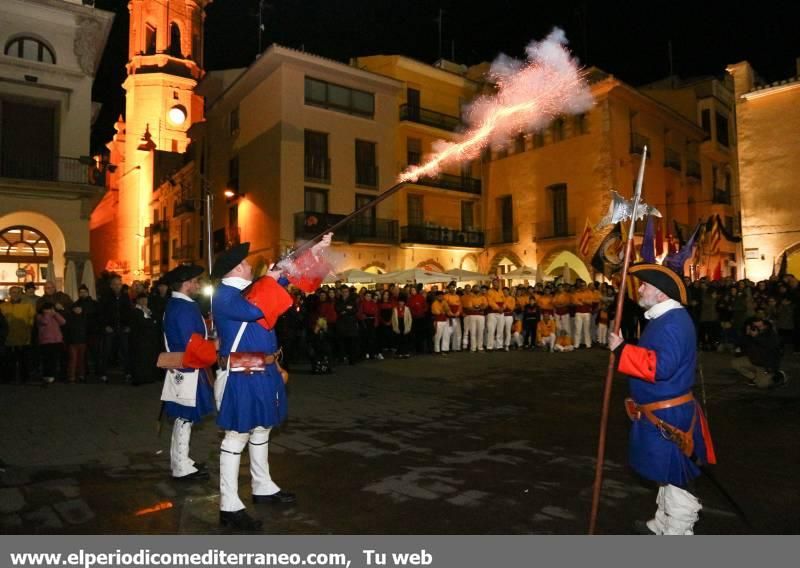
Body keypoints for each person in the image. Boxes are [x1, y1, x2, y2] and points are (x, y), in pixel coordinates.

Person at [609, 264, 716, 535]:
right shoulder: (664, 319)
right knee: (666, 473)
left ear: (661, 294)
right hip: (663, 412)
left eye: (645, 285)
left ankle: (678, 533)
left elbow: (661, 367)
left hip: (670, 416)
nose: (640, 288)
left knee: (678, 476)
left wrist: (623, 351)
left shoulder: (673, 323)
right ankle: (662, 523)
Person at [212, 243, 296, 531]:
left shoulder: (245, 291)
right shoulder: (224, 295)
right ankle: (229, 505)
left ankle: (263, 486)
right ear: (236, 269)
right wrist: (271, 279)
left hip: (262, 369)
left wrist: (286, 268)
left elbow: (273, 290)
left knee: (262, 429)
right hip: (241, 372)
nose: (251, 267)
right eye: (247, 265)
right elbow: (254, 309)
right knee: (236, 437)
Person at [731, 317, 788, 389]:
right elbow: (740, 349)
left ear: (764, 325)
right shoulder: (751, 334)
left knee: (762, 385)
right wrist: (747, 334)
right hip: (754, 361)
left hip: (766, 365)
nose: (758, 328)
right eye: (755, 326)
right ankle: (754, 378)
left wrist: (756, 336)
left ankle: (780, 375)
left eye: (760, 326)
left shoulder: (771, 334)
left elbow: (768, 346)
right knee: (735, 363)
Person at [98, 275, 133, 383]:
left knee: (126, 351)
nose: (118, 286)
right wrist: (105, 326)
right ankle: (103, 373)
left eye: (119, 284)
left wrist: (128, 326)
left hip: (122, 328)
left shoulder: (125, 297)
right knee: (106, 351)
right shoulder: (105, 297)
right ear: (111, 285)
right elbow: (101, 313)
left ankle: (127, 372)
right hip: (110, 328)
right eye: (115, 284)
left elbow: (129, 312)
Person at [1, 286, 36, 383]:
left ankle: (24, 378)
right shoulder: (3, 306)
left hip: (23, 337)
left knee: (23, 360)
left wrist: (28, 330)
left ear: (20, 293)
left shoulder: (27, 306)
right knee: (8, 360)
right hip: (7, 338)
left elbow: (32, 320)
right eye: (12, 292)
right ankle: (8, 378)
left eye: (17, 292)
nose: (15, 294)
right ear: (9, 293)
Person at [64, 284, 97, 383]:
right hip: (78, 335)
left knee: (86, 356)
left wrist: (83, 312)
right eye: (80, 292)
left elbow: (95, 316)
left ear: (87, 292)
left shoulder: (93, 304)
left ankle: (85, 374)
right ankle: (79, 375)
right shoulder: (75, 304)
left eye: (84, 292)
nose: (82, 294)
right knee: (79, 357)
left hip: (90, 333)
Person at [130, 293, 161, 385]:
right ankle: (139, 378)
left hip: (150, 339)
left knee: (149, 358)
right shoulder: (135, 311)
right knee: (140, 359)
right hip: (140, 340)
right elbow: (143, 324)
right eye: (142, 300)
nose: (144, 301)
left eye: (145, 299)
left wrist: (151, 316)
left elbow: (157, 320)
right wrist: (153, 322)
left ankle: (149, 377)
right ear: (138, 301)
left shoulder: (149, 310)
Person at [36, 301, 66, 384]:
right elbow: (45, 322)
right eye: (50, 309)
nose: (52, 310)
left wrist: (55, 314)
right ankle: (47, 376)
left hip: (57, 341)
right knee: (47, 360)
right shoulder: (40, 316)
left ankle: (55, 375)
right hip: (46, 341)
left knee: (56, 359)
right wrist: (47, 314)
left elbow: (63, 322)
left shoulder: (54, 315)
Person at [391, 293, 413, 358]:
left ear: (404, 302)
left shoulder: (407, 309)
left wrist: (409, 327)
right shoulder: (395, 309)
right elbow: (393, 319)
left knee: (405, 339)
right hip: (398, 325)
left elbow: (410, 319)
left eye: (402, 302)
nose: (401, 303)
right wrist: (394, 327)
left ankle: (405, 352)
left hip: (405, 325)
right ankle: (399, 353)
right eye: (400, 302)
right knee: (399, 339)